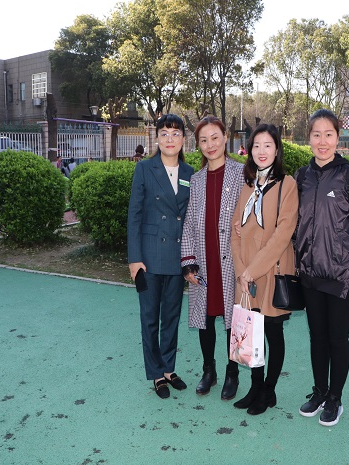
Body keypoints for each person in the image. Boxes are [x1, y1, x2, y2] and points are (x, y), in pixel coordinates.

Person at [295, 109, 349, 427]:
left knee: (337, 339)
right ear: (309, 138)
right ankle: (319, 392)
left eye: (328, 134)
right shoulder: (301, 177)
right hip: (310, 274)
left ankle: (335, 398)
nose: (322, 141)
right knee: (317, 337)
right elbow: (290, 224)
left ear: (337, 137)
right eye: (316, 134)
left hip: (343, 275)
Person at [230, 124, 298, 415]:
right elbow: (235, 232)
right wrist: (241, 271)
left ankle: (269, 391)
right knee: (251, 331)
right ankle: (255, 387)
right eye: (256, 145)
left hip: (271, 269)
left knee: (272, 331)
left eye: (267, 145)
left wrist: (252, 271)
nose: (261, 151)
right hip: (246, 272)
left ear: (277, 149)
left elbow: (283, 234)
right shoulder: (247, 185)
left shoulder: (287, 184)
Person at [127, 114, 194, 399]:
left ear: (183, 140)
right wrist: (134, 258)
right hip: (149, 258)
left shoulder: (190, 172)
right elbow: (134, 215)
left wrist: (191, 259)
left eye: (175, 134)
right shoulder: (145, 168)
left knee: (171, 317)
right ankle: (156, 373)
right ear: (156, 138)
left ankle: (168, 368)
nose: (170, 139)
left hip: (177, 257)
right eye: (164, 133)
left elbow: (191, 218)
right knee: (150, 318)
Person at [181, 115, 244, 400]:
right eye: (204, 140)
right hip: (204, 259)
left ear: (225, 137)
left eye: (215, 138)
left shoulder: (241, 173)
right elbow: (189, 223)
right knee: (204, 317)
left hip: (232, 261)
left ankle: (233, 372)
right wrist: (188, 262)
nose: (210, 145)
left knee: (232, 319)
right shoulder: (196, 180)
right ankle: (209, 370)